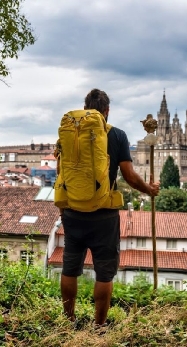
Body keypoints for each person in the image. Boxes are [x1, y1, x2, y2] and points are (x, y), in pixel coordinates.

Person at [60, 88, 160, 328]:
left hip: (72, 209)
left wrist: (64, 207)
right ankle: (99, 324)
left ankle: (68, 319)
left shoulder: (69, 133)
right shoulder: (116, 135)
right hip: (104, 214)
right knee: (104, 273)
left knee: (69, 268)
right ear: (107, 111)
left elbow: (62, 171)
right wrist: (149, 189)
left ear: (85, 109)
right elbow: (129, 175)